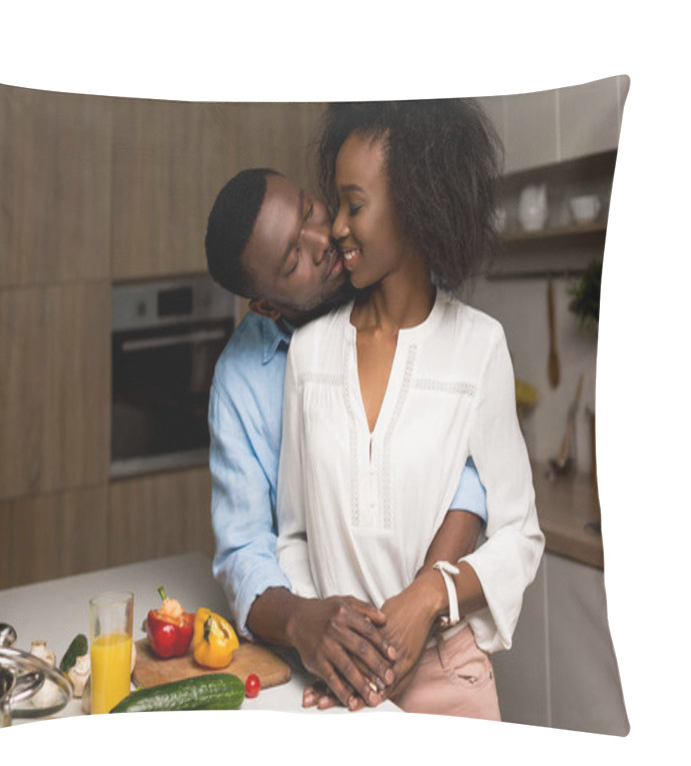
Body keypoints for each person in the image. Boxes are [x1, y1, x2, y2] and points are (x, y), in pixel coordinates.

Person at [276, 99, 545, 719]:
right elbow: (291, 535)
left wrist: (430, 596)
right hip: (339, 690)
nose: (337, 226)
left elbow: (520, 534)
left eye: (355, 204)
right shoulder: (310, 353)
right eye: (336, 203)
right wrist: (336, 642)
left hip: (451, 682)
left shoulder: (479, 347)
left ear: (417, 203)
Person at [205, 166, 489, 711]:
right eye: (293, 259)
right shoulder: (240, 383)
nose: (324, 242)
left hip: (441, 649)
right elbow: (243, 549)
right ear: (265, 305)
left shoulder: (411, 292)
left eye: (312, 211)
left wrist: (421, 601)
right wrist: (304, 622)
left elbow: (472, 475)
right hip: (321, 681)